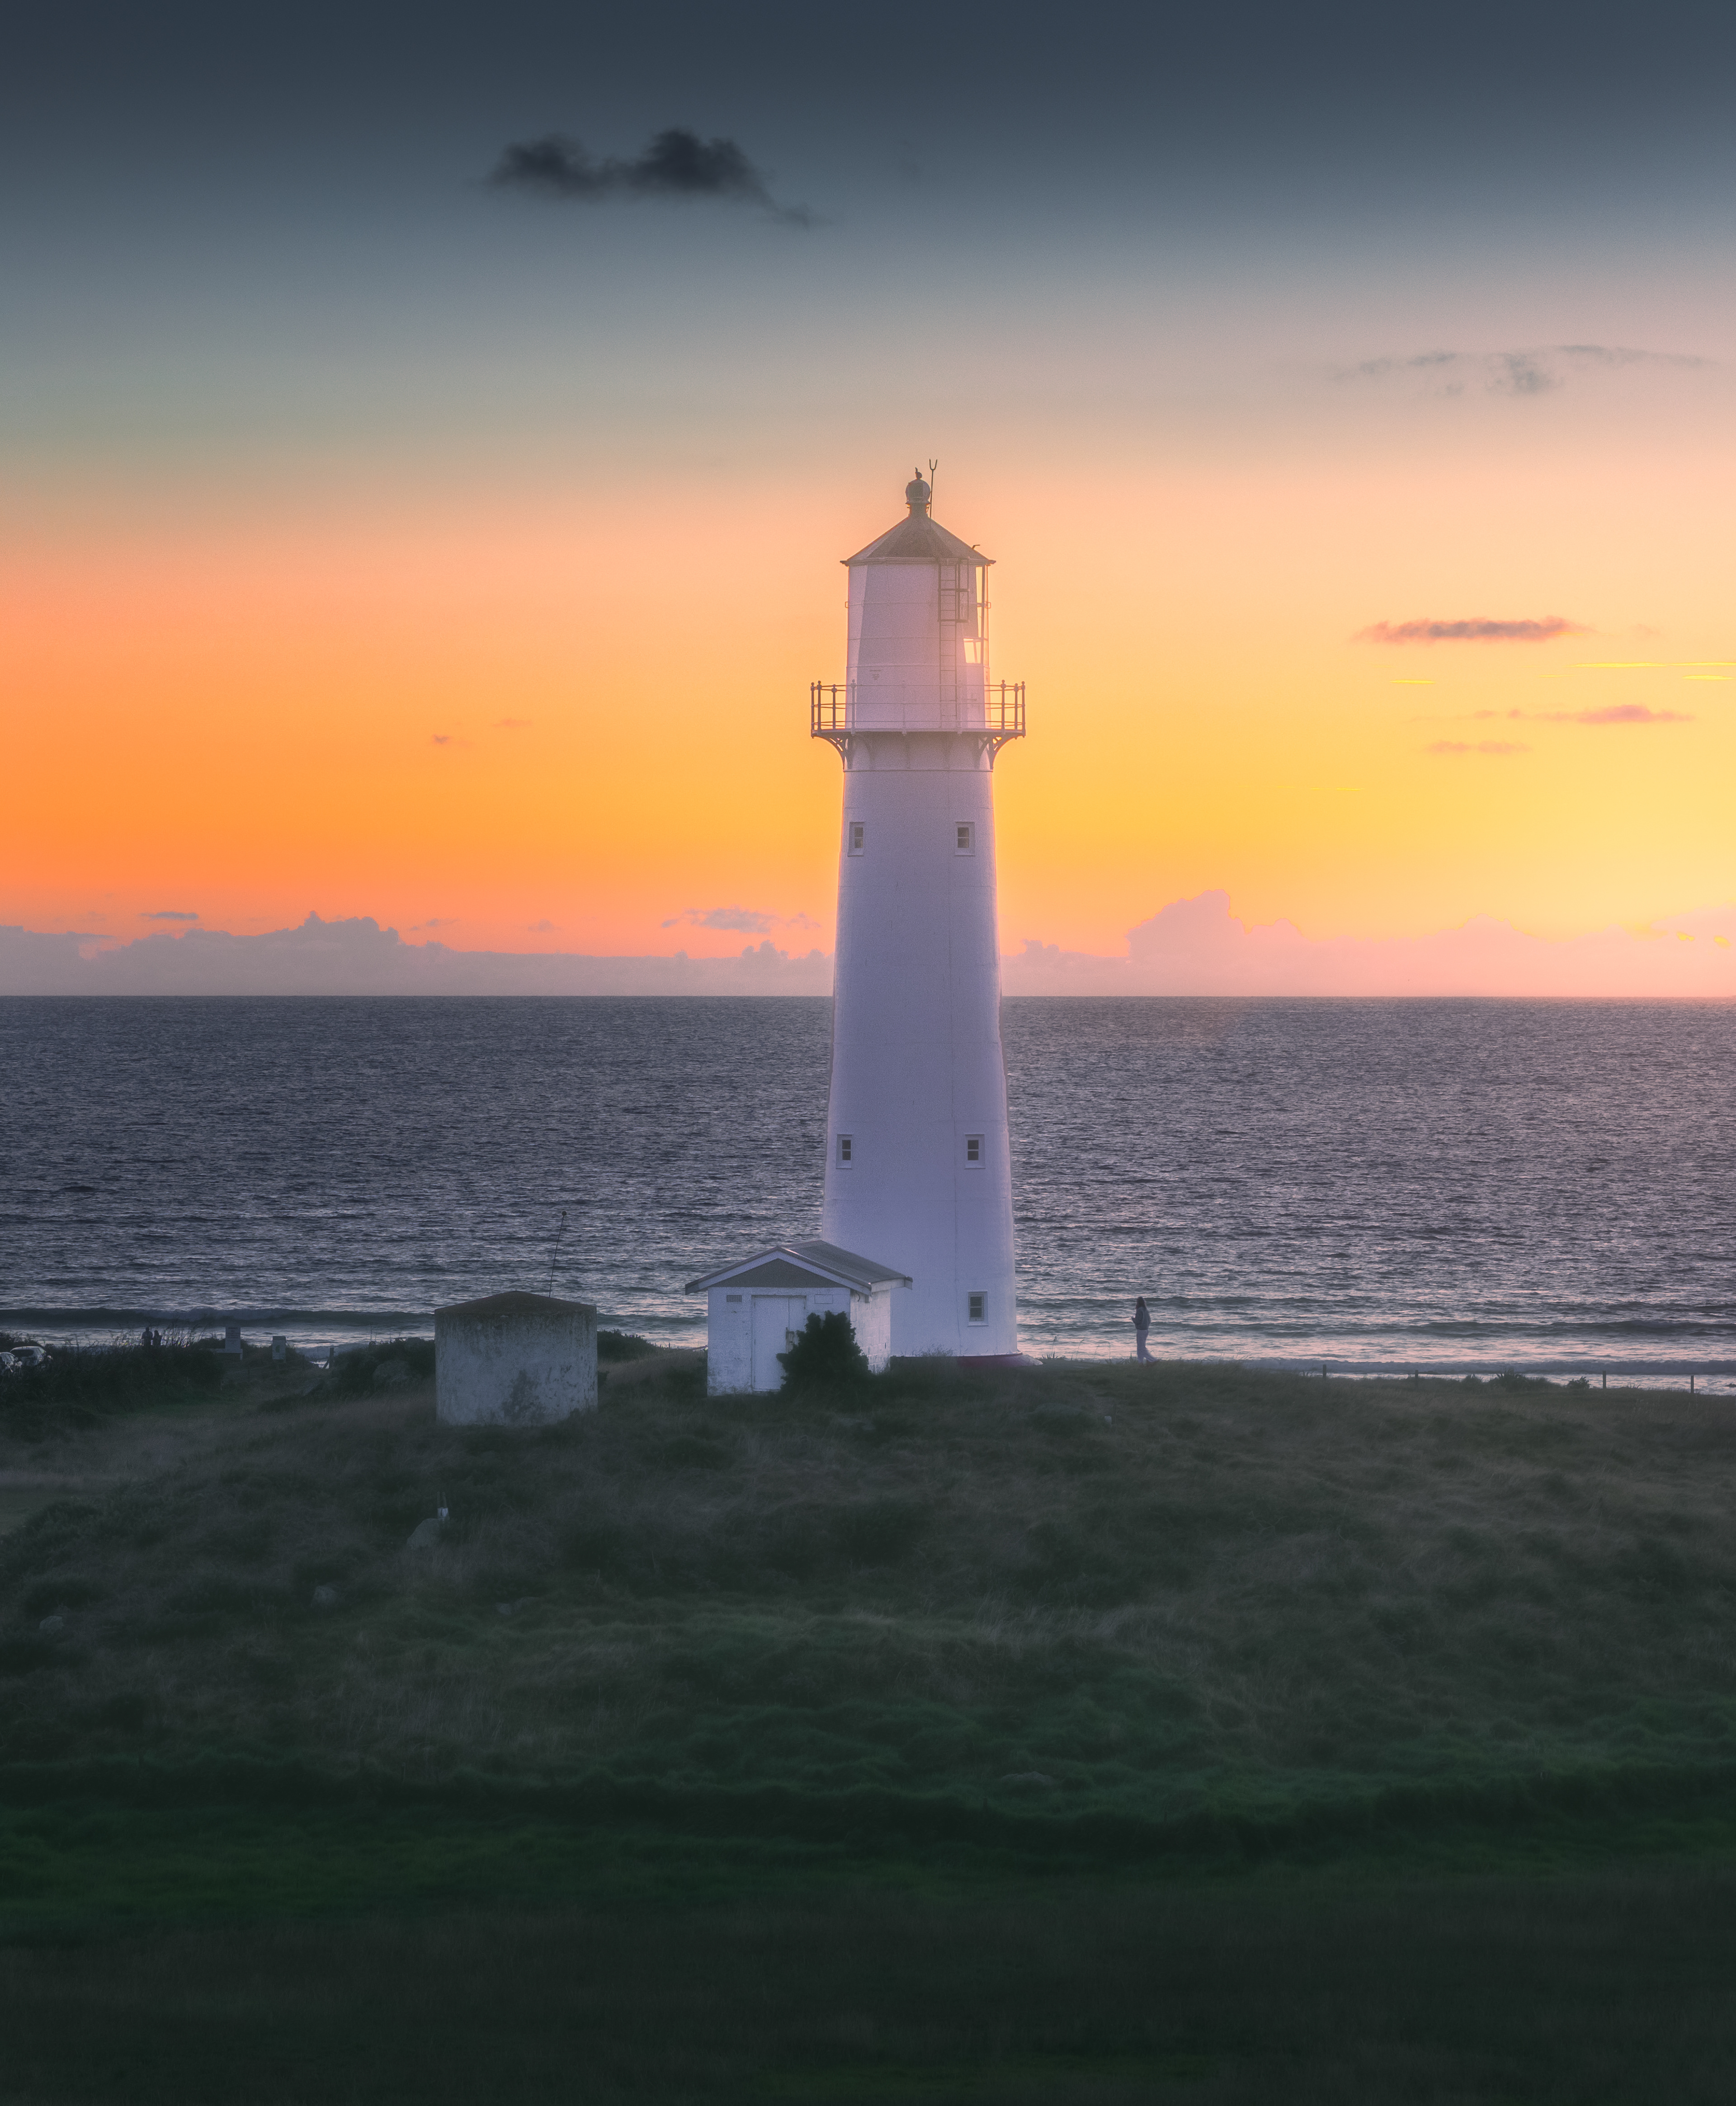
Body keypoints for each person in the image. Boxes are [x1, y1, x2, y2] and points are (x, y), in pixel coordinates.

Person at [1133, 1297, 1153, 1362]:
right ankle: (1141, 1362)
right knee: (1141, 1347)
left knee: (1141, 1348)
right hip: (1146, 1330)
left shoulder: (1139, 1310)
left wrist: (1133, 1319)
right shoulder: (1146, 1310)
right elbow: (1150, 1320)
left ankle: (1152, 1360)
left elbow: (1138, 1321)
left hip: (1141, 1330)